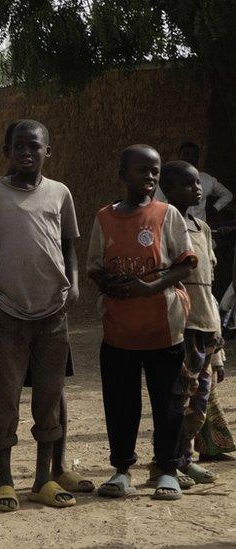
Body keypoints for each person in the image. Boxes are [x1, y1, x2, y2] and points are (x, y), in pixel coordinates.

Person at [0, 121, 93, 497]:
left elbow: (69, 243)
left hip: (53, 311)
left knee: (50, 395)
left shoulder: (60, 193)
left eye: (34, 147)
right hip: (7, 311)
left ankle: (43, 477)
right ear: (5, 151)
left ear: (47, 151)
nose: (27, 152)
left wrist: (73, 281)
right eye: (18, 146)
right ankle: (4, 476)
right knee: (4, 396)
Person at [87, 145, 196, 502]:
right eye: (141, 171)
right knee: (121, 403)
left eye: (155, 172)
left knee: (167, 401)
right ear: (122, 175)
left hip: (163, 327)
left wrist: (150, 286)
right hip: (119, 330)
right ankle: (121, 469)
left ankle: (167, 469)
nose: (149, 178)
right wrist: (108, 285)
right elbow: (95, 268)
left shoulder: (167, 215)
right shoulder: (104, 218)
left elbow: (184, 263)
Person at [158, 161, 225, 487]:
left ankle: (185, 458)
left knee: (199, 402)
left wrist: (219, 344)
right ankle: (168, 462)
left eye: (198, 183)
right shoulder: (164, 225)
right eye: (188, 184)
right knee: (178, 399)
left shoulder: (202, 227)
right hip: (183, 327)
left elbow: (209, 287)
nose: (197, 189)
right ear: (168, 189)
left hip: (207, 325)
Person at [154, 142, 232, 221]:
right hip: (174, 225)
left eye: (194, 155)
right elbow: (157, 203)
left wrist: (215, 208)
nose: (190, 158)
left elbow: (227, 195)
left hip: (199, 227)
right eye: (186, 154)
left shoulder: (207, 179)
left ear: (198, 158)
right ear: (179, 156)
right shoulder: (169, 178)